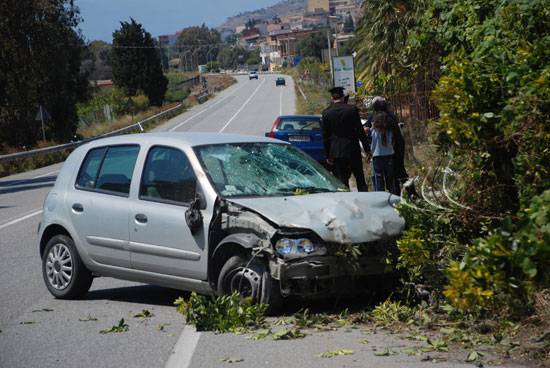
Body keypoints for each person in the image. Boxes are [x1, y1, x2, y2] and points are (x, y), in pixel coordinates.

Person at [321, 87, 369, 191]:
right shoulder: (352, 110)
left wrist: (328, 155)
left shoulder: (326, 113)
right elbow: (360, 131)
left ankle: (347, 202)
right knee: (360, 178)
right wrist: (367, 148)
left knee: (342, 180)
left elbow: (325, 136)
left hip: (337, 152)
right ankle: (366, 200)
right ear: (343, 97)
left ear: (332, 98)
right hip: (353, 149)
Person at [364, 96, 408, 194]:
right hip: (391, 153)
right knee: (393, 177)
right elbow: (397, 137)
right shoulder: (391, 117)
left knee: (379, 178)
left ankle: (380, 198)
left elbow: (366, 131)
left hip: (378, 154)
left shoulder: (373, 118)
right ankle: (400, 196)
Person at [368, 112, 398, 194]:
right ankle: (393, 194)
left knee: (378, 177)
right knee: (390, 177)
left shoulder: (374, 130)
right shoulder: (390, 130)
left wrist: (370, 153)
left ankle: (380, 195)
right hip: (389, 155)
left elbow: (373, 145)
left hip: (377, 156)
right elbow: (392, 142)